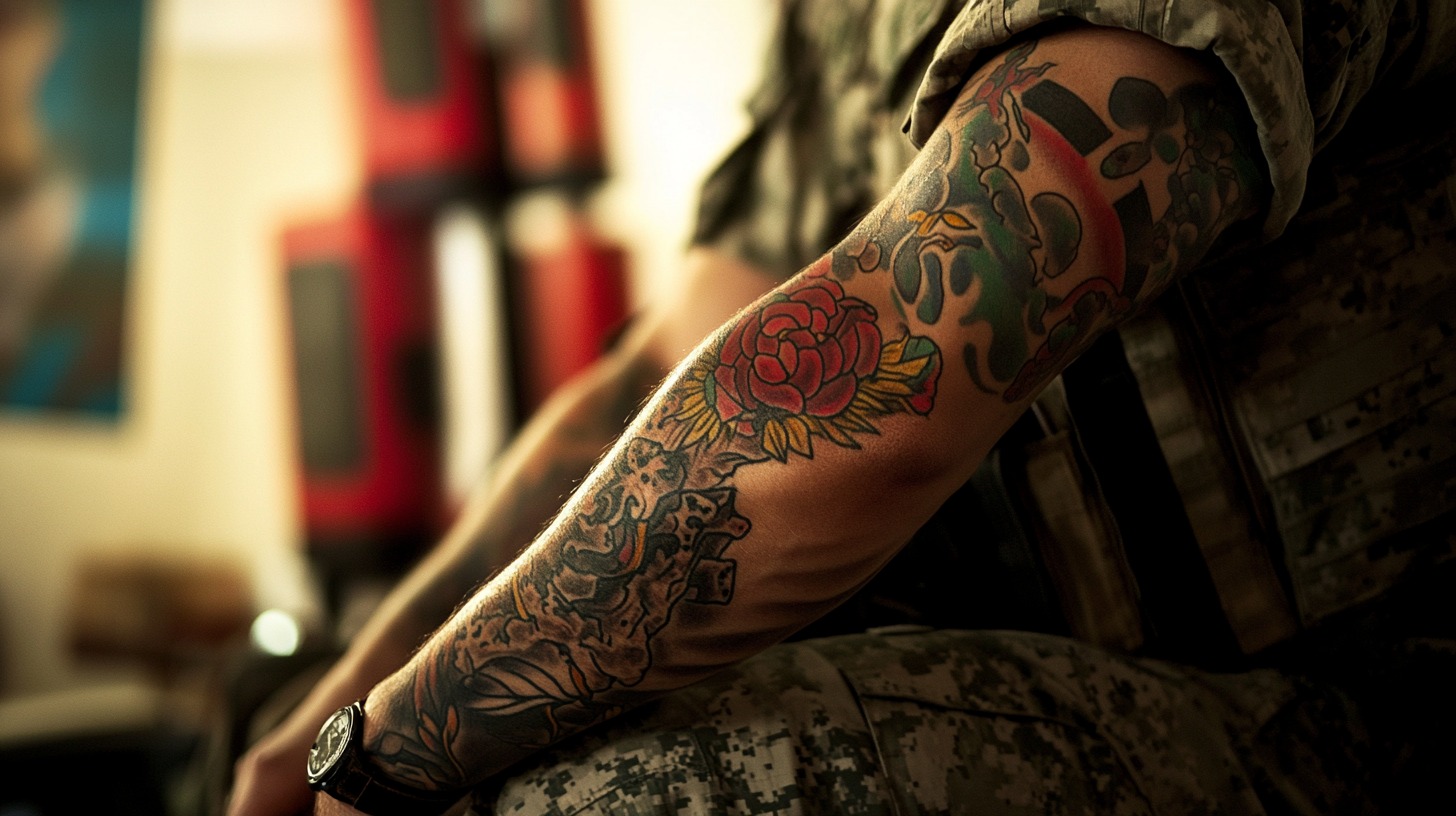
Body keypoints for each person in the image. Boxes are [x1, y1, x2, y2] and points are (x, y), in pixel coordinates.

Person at [229, 0, 1455, 813]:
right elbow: (653, 375)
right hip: (1043, 649)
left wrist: (385, 763)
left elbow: (884, 381)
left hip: (1351, 717)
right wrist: (334, 715)